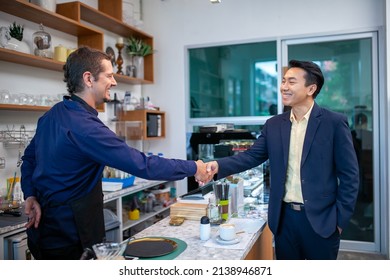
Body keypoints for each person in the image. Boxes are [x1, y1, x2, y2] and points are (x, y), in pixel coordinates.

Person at [20, 46, 210, 260]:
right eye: (109, 75)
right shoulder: (86, 127)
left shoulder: (52, 114)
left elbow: (29, 159)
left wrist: (30, 193)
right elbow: (143, 165)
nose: (114, 81)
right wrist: (194, 167)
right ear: (88, 78)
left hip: (42, 235)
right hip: (71, 237)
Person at [205, 60, 359, 260]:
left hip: (322, 221)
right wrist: (217, 166)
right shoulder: (274, 125)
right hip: (284, 220)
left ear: (311, 88)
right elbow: (251, 156)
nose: (284, 87)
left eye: (291, 82)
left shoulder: (334, 123)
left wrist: (339, 221)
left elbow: (350, 176)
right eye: (284, 81)